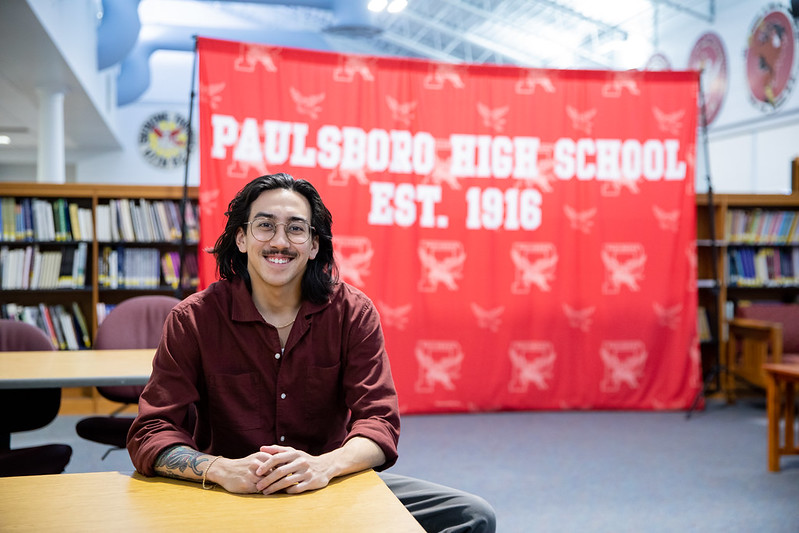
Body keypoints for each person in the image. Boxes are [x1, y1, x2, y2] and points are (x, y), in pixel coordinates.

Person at [127, 172, 496, 532]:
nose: (280, 241)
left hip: (332, 484)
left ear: (314, 244)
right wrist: (221, 469)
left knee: (472, 515)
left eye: (296, 228)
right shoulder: (194, 319)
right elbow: (151, 432)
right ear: (241, 238)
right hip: (231, 493)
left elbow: (379, 422)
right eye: (265, 225)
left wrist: (324, 466)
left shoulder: (352, 312)